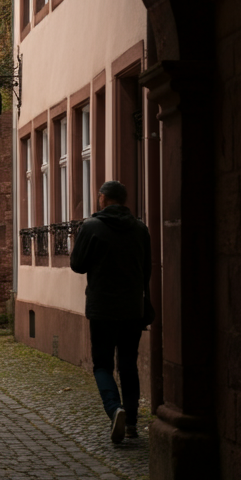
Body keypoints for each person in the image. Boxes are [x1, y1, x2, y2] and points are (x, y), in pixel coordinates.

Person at [69, 180, 151, 445]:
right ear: (124, 199)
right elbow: (146, 270)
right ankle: (133, 425)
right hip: (131, 308)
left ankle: (115, 409)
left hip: (102, 308)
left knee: (102, 364)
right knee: (128, 363)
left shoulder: (91, 227)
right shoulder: (140, 229)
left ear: (103, 198)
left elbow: (77, 265)